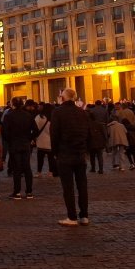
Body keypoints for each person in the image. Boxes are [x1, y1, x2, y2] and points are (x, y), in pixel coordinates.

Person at [50, 88, 91, 226]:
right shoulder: (82, 112)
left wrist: (55, 152)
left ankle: (72, 217)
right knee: (82, 185)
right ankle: (84, 216)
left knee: (68, 187)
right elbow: (88, 132)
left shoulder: (58, 112)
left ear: (63, 98)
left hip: (64, 153)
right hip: (80, 153)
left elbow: (54, 134)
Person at [2, 97, 37, 200]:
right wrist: (29, 138)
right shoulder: (28, 115)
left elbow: (4, 132)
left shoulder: (9, 115)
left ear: (12, 104)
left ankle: (17, 192)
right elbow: (35, 130)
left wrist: (9, 140)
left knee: (16, 168)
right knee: (27, 168)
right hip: (25, 144)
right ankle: (29, 191)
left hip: (14, 144)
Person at [34, 104, 56, 178]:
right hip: (50, 141)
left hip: (41, 140)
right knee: (51, 158)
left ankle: (39, 172)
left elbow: (34, 128)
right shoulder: (53, 118)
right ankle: (50, 172)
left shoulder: (39, 117)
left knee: (40, 158)